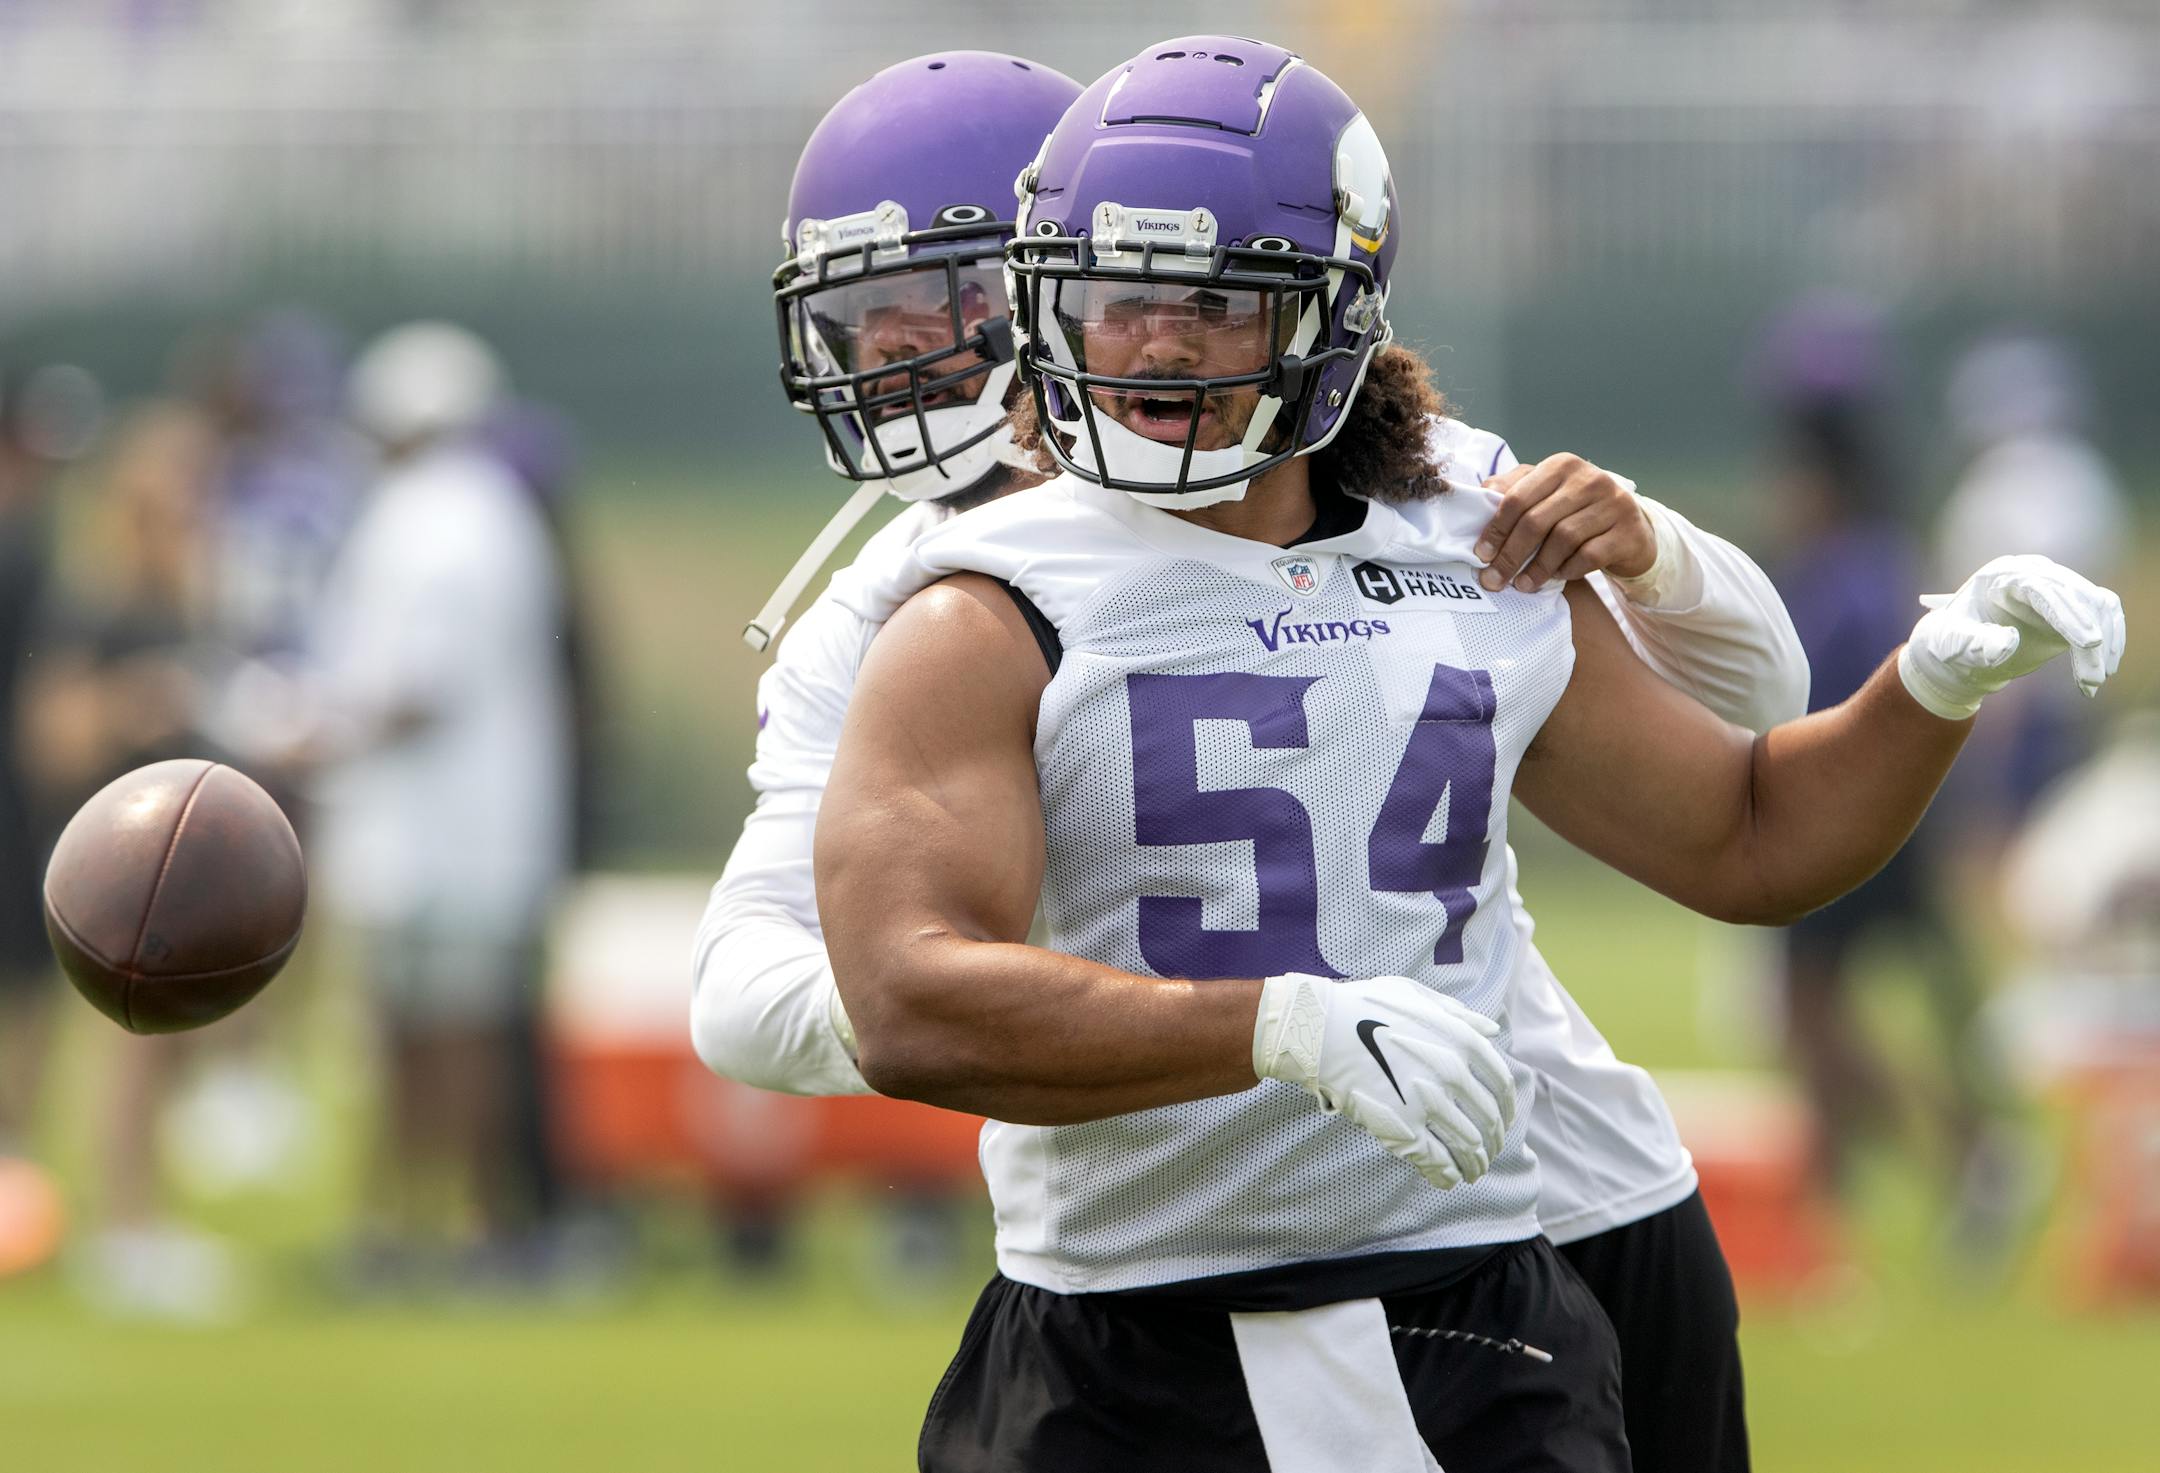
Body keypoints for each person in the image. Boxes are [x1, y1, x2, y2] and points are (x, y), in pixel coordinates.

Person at [810, 39, 2123, 1471]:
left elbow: (1752, 838)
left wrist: (1936, 676)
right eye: (1119, 303)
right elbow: (908, 995)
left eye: (1218, 305)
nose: (1158, 346)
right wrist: (1278, 1026)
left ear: (1332, 318)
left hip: (1469, 1309)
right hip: (1120, 1334)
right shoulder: (985, 601)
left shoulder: (1469, 547)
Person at [299, 322, 574, 1279]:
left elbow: (418, 686)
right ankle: (423, 1224)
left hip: (443, 837)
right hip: (458, 834)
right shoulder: (484, 508)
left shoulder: (441, 516)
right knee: (434, 1031)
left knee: (442, 1035)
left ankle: (448, 1225)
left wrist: (306, 733)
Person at [1756, 299, 2021, 1231]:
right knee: (1817, 1011)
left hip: (1846, 798)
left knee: (1806, 1012)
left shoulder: (1846, 562)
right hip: (1884, 797)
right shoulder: (1880, 544)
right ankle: (1951, 1160)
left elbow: (1841, 686)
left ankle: (1932, 1171)